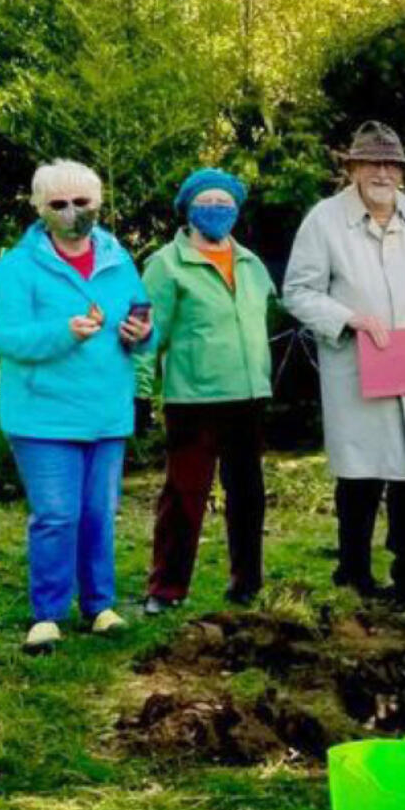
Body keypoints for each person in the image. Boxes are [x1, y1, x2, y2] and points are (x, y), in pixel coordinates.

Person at [283, 121, 405, 604]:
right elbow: (297, 291)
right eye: (372, 163)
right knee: (359, 474)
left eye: (391, 164)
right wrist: (347, 318)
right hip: (356, 365)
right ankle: (354, 575)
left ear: (402, 172)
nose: (382, 172)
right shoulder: (324, 221)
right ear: (354, 168)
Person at [0, 159, 152, 653]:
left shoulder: (120, 259)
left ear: (99, 203)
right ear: (39, 208)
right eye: (59, 204)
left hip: (106, 411)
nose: (72, 212)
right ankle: (48, 614)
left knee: (99, 512)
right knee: (57, 515)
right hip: (42, 415)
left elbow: (143, 321)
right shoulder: (16, 265)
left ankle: (100, 606)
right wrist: (62, 333)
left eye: (83, 202)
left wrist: (142, 334)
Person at [135, 168, 276, 615]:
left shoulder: (252, 265)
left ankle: (246, 583)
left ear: (237, 209)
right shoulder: (166, 264)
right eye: (206, 203)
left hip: (248, 395)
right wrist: (140, 391)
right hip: (193, 399)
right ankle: (166, 589)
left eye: (225, 203)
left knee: (248, 495)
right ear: (188, 209)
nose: (216, 210)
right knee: (184, 495)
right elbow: (145, 332)